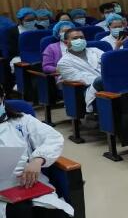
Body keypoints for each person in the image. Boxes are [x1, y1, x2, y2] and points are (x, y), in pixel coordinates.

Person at [0, 85, 74, 218]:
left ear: (2, 98)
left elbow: (53, 138)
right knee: (20, 211)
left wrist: (38, 159)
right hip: (3, 196)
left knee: (56, 214)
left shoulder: (22, 121)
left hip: (29, 186)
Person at [57, 29, 104, 112]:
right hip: (90, 88)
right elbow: (84, 79)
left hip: (109, 82)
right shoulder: (63, 63)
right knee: (100, 80)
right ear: (66, 42)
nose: (79, 40)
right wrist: (106, 77)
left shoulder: (95, 50)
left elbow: (110, 65)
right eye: (75, 38)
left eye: (82, 38)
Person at [6, 7, 38, 75]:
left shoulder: (40, 28)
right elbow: (13, 49)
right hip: (19, 55)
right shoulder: (13, 31)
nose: (31, 22)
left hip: (37, 54)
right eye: (28, 20)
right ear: (21, 20)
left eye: (33, 19)